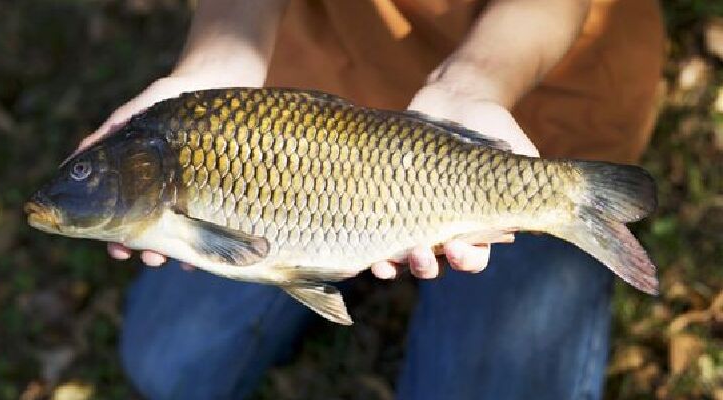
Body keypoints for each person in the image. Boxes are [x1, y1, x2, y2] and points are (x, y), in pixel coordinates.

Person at [76, 0, 663, 398]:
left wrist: (472, 85)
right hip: (294, 122)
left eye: (86, 174)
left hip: (525, 115)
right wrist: (217, 60)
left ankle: (555, 210)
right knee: (166, 360)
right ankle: (338, 253)